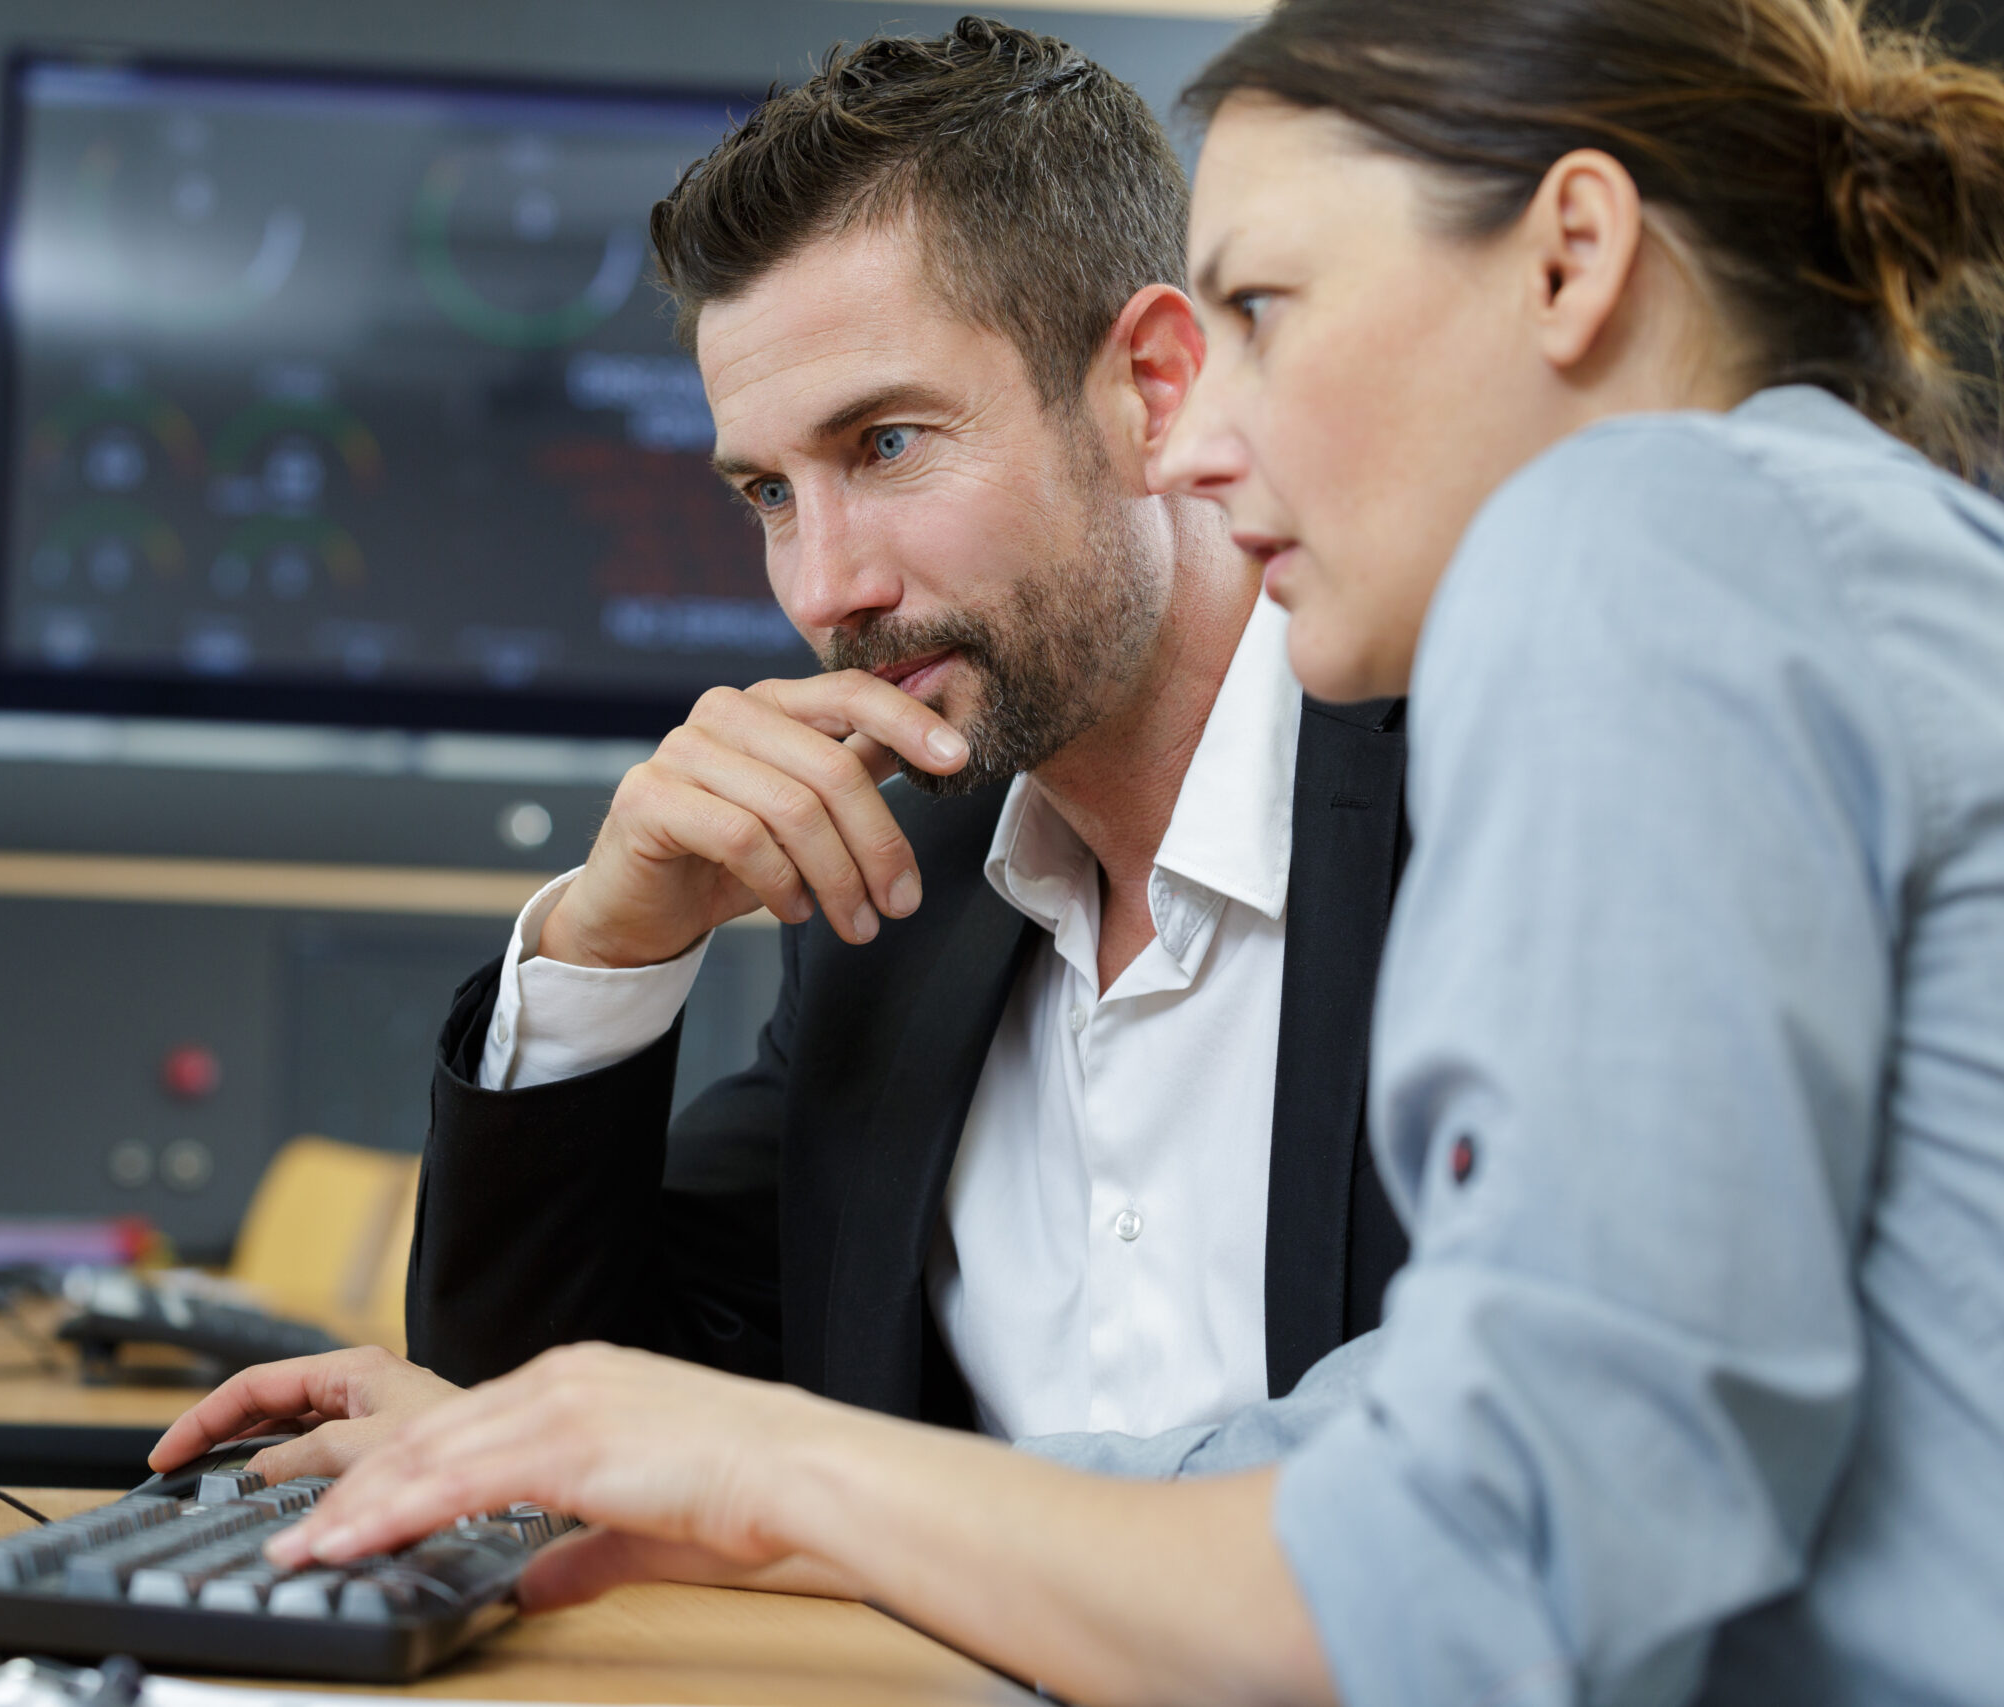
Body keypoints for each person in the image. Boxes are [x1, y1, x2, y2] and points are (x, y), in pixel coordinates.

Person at [153, 0, 2004, 1700]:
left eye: (1265, 315)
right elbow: (1408, 1446)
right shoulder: (1810, 557)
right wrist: (724, 1453)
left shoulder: (1647, 544)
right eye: (766, 493)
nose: (1221, 437)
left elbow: (1499, 1549)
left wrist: (776, 1474)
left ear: (1572, 260)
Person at [170, 19, 1412, 1483]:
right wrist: (606, 948)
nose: (825, 591)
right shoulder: (902, 896)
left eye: (886, 444)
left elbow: (1474, 1493)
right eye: (768, 491)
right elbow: (542, 1427)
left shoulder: (1479, 810)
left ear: (1155, 384)